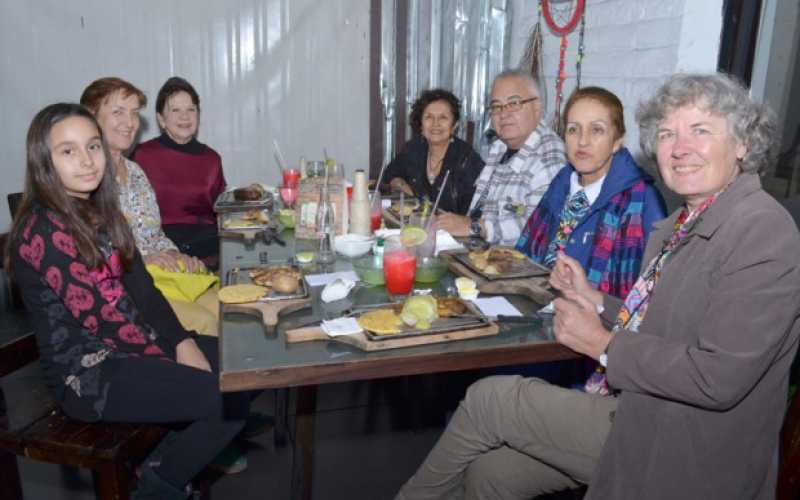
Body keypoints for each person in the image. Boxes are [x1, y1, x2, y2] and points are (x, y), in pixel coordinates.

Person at [396, 73, 800, 499]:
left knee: (489, 399)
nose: (680, 148)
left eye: (700, 130)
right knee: (492, 472)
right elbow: (655, 322)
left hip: (686, 446)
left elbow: (717, 377)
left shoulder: (762, 232)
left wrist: (604, 344)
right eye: (668, 134)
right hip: (642, 404)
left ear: (743, 143)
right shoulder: (680, 224)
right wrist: (597, 300)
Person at [6, 103, 248, 499]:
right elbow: (104, 319)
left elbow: (143, 289)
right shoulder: (44, 230)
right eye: (68, 151)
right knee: (224, 399)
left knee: (243, 367)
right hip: (88, 374)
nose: (86, 161)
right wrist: (174, 356)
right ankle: (156, 490)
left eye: (92, 146)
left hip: (131, 346)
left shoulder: (100, 210)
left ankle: (162, 461)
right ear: (43, 161)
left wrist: (182, 341)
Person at [80, 77, 219, 337]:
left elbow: (154, 233)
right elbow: (89, 254)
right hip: (128, 288)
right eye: (118, 112)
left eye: (134, 113)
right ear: (91, 116)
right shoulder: (86, 177)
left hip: (164, 274)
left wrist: (176, 254)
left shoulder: (135, 171)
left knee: (227, 310)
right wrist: (142, 261)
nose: (129, 122)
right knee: (204, 322)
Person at [517, 87, 666, 300]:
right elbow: (523, 260)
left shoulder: (643, 200)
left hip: (599, 316)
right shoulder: (560, 184)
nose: (582, 141)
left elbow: (651, 296)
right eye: (573, 129)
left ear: (617, 141)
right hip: (536, 303)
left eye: (596, 130)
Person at [437, 69, 565, 245]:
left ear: (537, 108)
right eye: (497, 106)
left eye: (514, 103)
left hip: (515, 261)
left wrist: (475, 227)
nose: (503, 114)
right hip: (479, 251)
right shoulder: (500, 146)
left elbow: (539, 228)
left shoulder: (549, 158)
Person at [132, 77, 226, 265]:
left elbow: (222, 211)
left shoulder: (212, 159)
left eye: (191, 109)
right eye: (175, 110)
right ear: (161, 119)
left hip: (207, 253)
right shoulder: (142, 155)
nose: (185, 117)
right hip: (161, 255)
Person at [384, 88, 484, 215]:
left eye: (443, 117)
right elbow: (390, 174)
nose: (435, 123)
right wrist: (403, 187)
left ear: (454, 125)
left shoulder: (468, 161)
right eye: (429, 117)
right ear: (421, 124)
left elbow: (476, 214)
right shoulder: (414, 148)